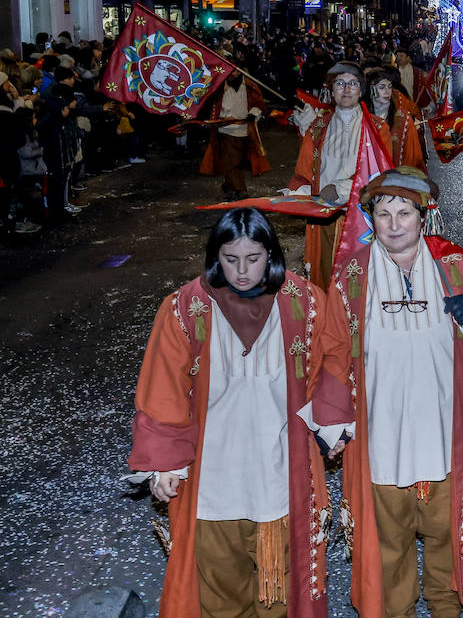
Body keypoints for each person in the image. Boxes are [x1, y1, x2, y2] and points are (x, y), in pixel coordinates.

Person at [127, 209, 353, 618]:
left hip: (280, 475)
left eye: (254, 258)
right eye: (231, 259)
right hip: (213, 482)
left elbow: (334, 361)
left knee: (280, 596)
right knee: (220, 596)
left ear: (271, 254)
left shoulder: (304, 302)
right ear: (216, 256)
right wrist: (163, 463)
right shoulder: (184, 308)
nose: (243, 271)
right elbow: (163, 387)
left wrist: (332, 424)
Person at [334, 168, 463, 618]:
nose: (394, 223)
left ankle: (445, 607)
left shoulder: (456, 267)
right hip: (382, 440)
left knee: (445, 536)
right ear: (370, 217)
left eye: (404, 212)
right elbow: (331, 354)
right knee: (388, 543)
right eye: (383, 212)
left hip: (442, 435)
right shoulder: (351, 278)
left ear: (423, 216)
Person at [285, 61, 392, 286]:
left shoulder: (376, 127)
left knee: (359, 283)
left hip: (362, 220)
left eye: (352, 83)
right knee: (324, 278)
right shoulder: (317, 128)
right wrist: (296, 194)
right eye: (340, 83)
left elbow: (380, 174)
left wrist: (341, 189)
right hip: (325, 218)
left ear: (361, 90)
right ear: (331, 91)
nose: (346, 89)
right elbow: (305, 174)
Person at [198, 72, 268, 200]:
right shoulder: (218, 87)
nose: (231, 75)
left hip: (245, 129)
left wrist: (253, 113)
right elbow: (208, 105)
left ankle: (229, 184)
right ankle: (241, 189)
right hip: (225, 130)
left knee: (237, 161)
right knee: (232, 160)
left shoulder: (249, 86)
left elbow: (259, 105)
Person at [366, 68, 425, 170]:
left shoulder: (402, 119)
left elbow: (411, 157)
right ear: (371, 89)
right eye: (382, 87)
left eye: (389, 87)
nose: (387, 92)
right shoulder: (360, 114)